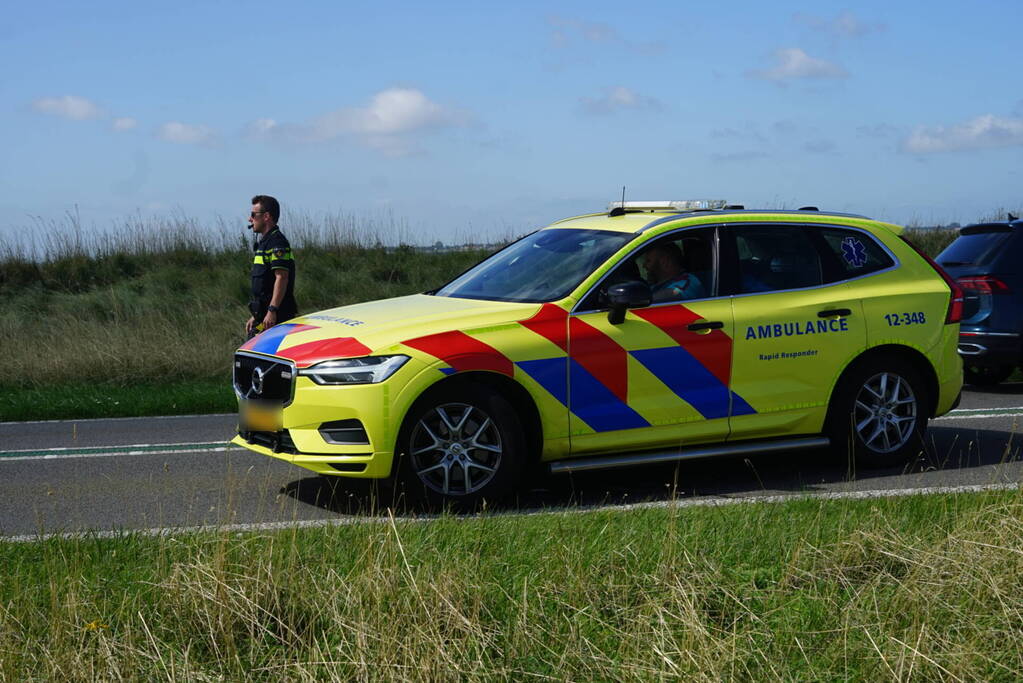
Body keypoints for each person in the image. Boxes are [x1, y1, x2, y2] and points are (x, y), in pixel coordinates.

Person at [246, 194, 297, 338]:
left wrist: (272, 310)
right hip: (264, 317)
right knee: (251, 349)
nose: (250, 219)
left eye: (253, 215)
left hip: (275, 318)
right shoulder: (265, 243)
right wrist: (256, 317)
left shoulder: (277, 243)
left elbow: (281, 277)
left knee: (261, 353)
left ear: (266, 216)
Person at [642, 242, 706, 302]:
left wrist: (640, 300)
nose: (643, 266)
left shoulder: (688, 282)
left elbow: (672, 293)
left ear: (665, 262)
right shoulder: (660, 284)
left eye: (648, 261)